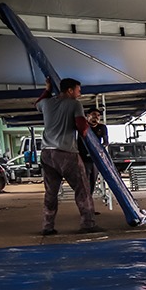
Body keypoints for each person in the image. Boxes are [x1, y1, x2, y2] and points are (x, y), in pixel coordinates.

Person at [35, 77, 100, 235]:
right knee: (82, 189)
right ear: (70, 90)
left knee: (51, 192)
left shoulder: (46, 103)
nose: (80, 92)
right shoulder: (74, 104)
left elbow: (37, 104)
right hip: (66, 153)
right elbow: (81, 126)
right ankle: (88, 224)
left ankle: (47, 226)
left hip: (46, 153)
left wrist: (48, 89)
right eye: (78, 89)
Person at [78, 107, 109, 202]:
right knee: (84, 182)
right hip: (83, 159)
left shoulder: (102, 128)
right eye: (94, 115)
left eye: (98, 116)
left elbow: (106, 142)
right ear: (88, 116)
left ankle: (89, 204)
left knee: (92, 181)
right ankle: (84, 205)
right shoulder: (83, 128)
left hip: (95, 159)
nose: (96, 117)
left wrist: (99, 150)